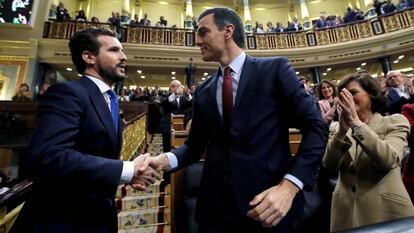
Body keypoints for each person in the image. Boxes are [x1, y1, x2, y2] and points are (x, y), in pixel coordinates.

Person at [147, 7, 328, 233]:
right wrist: (163, 160)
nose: (196, 41)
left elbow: (316, 127)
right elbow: (194, 148)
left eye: (203, 32)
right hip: (216, 212)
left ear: (227, 31)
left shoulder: (274, 70)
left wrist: (290, 187)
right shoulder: (203, 91)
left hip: (269, 206)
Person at [10, 28, 160, 233]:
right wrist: (126, 170)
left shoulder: (109, 98)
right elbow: (49, 156)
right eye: (114, 50)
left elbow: (95, 153)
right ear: (89, 57)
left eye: (122, 51)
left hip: (95, 216)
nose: (123, 57)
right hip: (61, 221)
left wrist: (124, 175)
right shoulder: (68, 93)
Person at [322, 73, 414, 232]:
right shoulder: (336, 129)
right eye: (342, 95)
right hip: (345, 214)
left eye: (352, 93)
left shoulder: (395, 121)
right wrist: (343, 131)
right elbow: (329, 165)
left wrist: (356, 124)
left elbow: (388, 160)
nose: (347, 98)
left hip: (388, 213)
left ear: (371, 94)